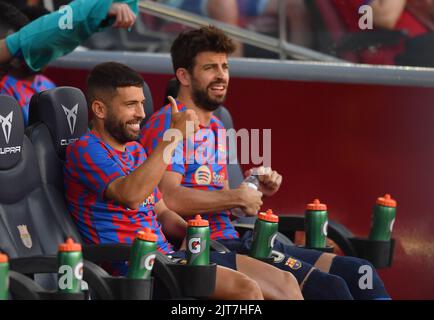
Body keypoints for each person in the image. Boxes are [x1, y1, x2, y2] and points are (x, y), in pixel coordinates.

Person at [139, 25, 390, 300]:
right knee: (331, 289)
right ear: (184, 75)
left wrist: (252, 188)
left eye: (225, 66)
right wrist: (236, 196)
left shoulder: (216, 128)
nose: (221, 75)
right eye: (210, 67)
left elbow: (220, 200)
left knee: (359, 272)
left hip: (240, 238)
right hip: (208, 249)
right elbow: (167, 198)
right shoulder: (168, 125)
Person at [63, 61, 303, 300]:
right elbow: (131, 196)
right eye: (130, 104)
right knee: (246, 290)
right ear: (100, 109)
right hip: (137, 270)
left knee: (285, 283)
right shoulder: (85, 149)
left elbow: (161, 211)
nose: (141, 113)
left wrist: (189, 230)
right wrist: (174, 136)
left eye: (142, 104)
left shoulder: (135, 152)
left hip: (171, 259)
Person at [0, 0, 137, 125]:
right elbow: (26, 40)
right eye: (12, 52)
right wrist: (95, 10)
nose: (13, 59)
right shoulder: (6, 88)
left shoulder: (47, 84)